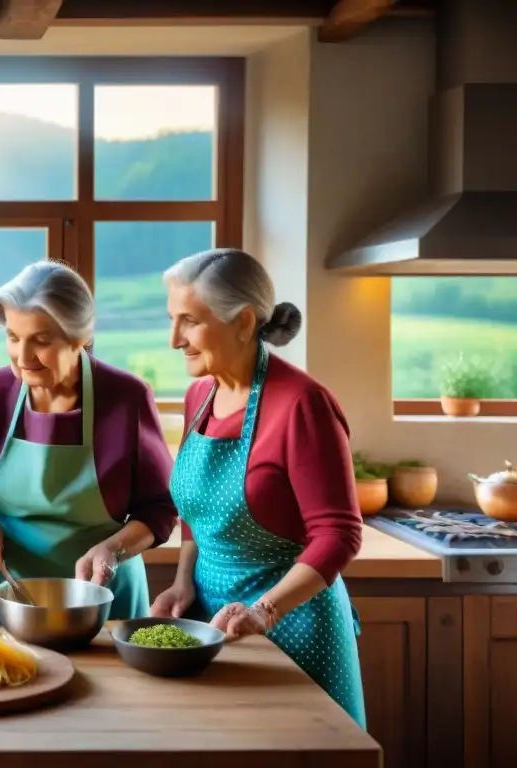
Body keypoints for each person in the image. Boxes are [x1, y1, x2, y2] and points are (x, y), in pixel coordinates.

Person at [152, 248, 365, 727]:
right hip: (211, 624)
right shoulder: (199, 395)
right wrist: (184, 582)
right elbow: (195, 509)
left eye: (189, 321)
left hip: (294, 624)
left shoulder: (302, 403)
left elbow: (339, 534)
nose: (173, 339)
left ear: (244, 321)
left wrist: (264, 611)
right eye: (172, 319)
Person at [0, 261, 178, 624]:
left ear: (80, 338)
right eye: (13, 337)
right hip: (5, 594)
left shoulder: (126, 397)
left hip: (104, 598)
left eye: (41, 341)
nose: (23, 357)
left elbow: (160, 508)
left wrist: (113, 548)